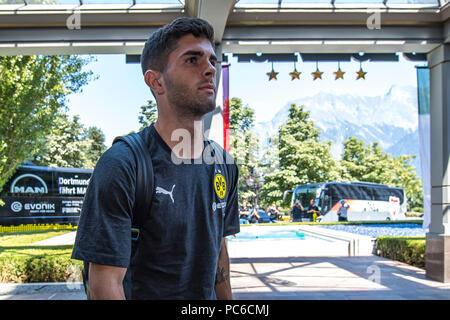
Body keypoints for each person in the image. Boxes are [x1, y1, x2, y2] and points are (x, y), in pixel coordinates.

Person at [71, 17, 240, 300]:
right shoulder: (124, 164)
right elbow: (104, 285)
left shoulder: (223, 163)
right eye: (192, 60)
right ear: (156, 81)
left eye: (212, 60)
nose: (210, 69)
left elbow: (218, 250)